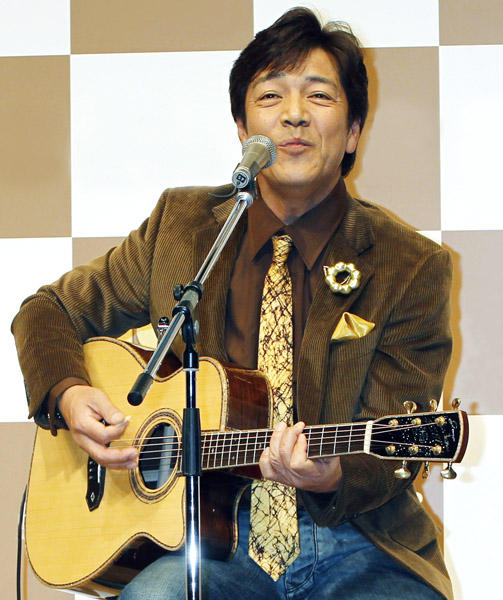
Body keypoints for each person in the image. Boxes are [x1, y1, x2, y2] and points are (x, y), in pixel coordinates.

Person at [12, 8, 454, 600]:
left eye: (319, 95)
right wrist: (68, 393)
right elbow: (46, 312)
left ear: (352, 132)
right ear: (244, 131)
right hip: (206, 541)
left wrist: (333, 472)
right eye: (271, 95)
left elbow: (397, 431)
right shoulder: (183, 228)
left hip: (360, 543)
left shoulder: (411, 263)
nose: (294, 114)